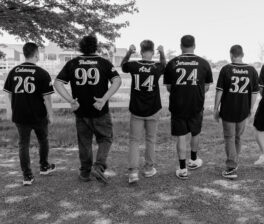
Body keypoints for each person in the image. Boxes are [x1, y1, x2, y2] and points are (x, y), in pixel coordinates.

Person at [54, 35, 121, 183]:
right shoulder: (104, 63)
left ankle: (85, 172)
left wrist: (71, 100)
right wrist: (104, 98)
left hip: (80, 110)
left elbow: (58, 83)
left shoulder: (73, 63)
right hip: (100, 110)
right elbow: (117, 80)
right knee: (105, 138)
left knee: (84, 142)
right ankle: (98, 166)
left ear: (81, 47)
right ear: (95, 47)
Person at [3, 42, 56, 186]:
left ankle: (27, 176)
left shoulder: (14, 71)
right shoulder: (42, 73)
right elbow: (47, 97)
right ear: (36, 54)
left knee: (23, 144)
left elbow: (7, 93)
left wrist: (9, 111)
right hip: (38, 115)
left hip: (20, 115)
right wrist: (50, 114)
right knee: (43, 140)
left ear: (24, 54)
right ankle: (44, 166)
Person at [164, 35, 213, 179]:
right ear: (194, 45)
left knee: (180, 136)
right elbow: (207, 86)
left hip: (178, 105)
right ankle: (193, 159)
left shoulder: (172, 62)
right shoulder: (203, 63)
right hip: (196, 104)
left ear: (181, 46)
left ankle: (182, 168)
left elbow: (168, 87)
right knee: (195, 132)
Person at [121, 40, 166, 183]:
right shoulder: (157, 67)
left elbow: (123, 66)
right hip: (153, 109)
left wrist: (129, 52)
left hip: (136, 109)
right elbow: (164, 65)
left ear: (141, 52)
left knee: (134, 141)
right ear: (152, 52)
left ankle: (133, 173)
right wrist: (162, 52)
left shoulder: (134, 65)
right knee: (150, 140)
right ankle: (148, 169)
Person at [214, 45, 259, 179]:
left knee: (229, 138)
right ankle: (234, 162)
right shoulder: (251, 70)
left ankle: (231, 167)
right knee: (238, 137)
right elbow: (254, 93)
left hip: (228, 109)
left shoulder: (226, 69)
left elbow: (219, 91)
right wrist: (250, 108)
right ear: (242, 54)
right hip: (243, 110)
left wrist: (216, 108)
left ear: (231, 55)